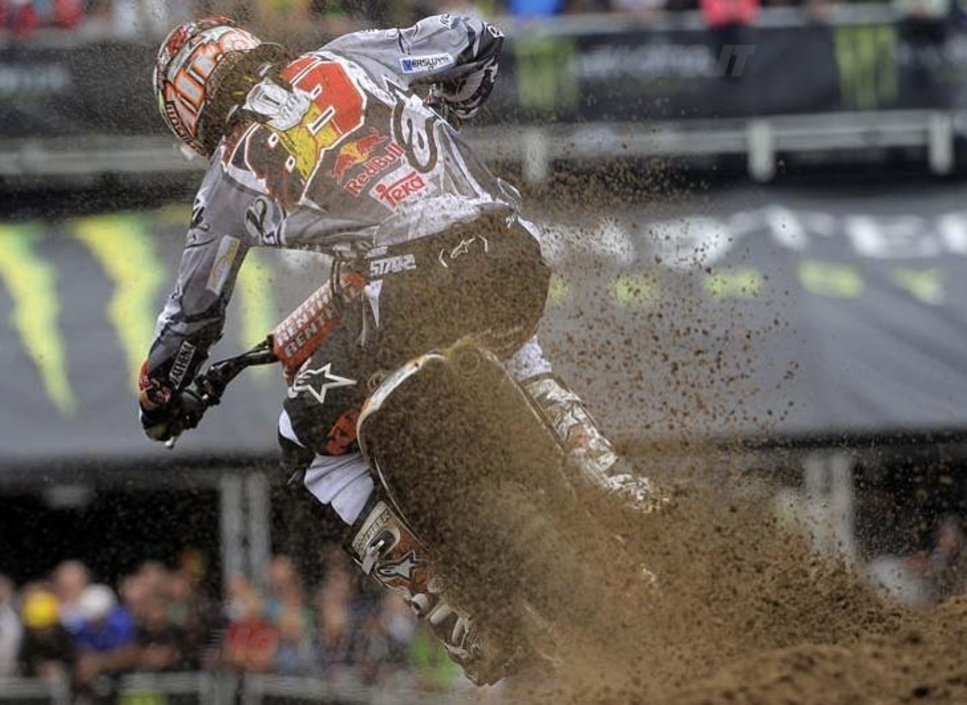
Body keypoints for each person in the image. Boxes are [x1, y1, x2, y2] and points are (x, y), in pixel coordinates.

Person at [140, 12, 662, 685]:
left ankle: (455, 616)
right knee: (507, 336)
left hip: (408, 295)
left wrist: (162, 398)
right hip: (510, 252)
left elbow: (190, 320)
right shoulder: (352, 54)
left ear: (190, 121)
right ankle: (602, 465)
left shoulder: (226, 179)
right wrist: (443, 112)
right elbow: (474, 38)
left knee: (304, 445)